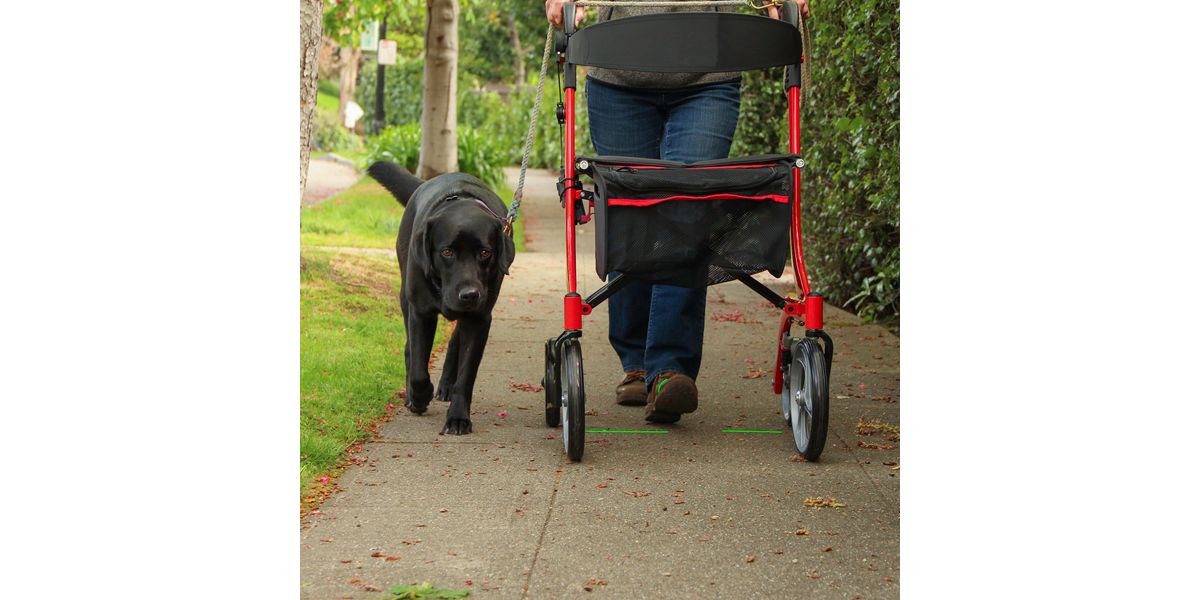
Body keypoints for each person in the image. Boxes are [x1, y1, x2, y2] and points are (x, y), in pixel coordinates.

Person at [545, 0, 809, 424]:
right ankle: (635, 361)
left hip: (709, 72)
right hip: (618, 73)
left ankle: (669, 368)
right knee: (630, 212)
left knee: (689, 210)